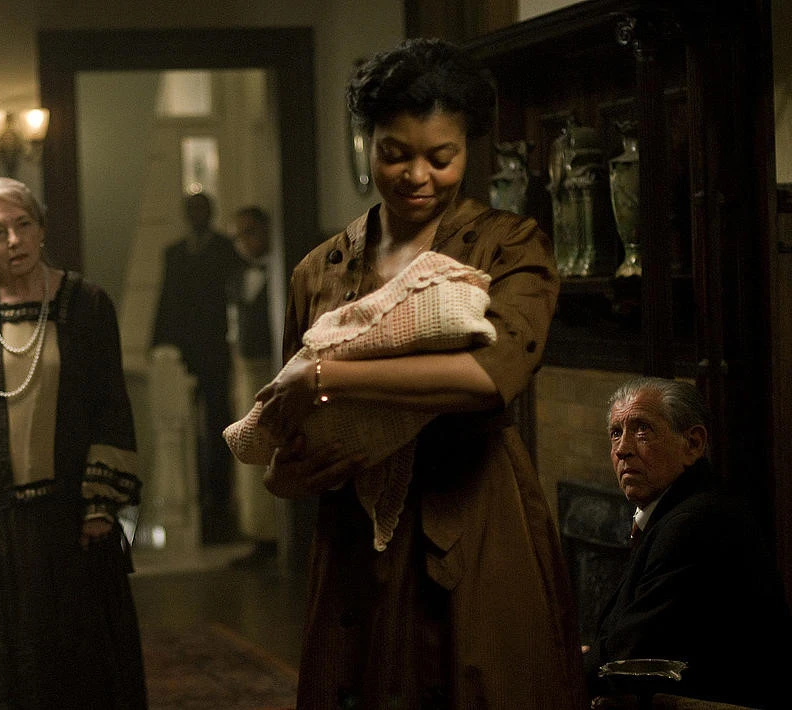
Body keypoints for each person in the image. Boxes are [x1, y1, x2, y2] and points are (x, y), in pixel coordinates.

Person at [255, 40, 583, 708]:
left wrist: (327, 374)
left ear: (468, 150)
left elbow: (487, 376)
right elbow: (292, 416)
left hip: (470, 514)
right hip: (354, 533)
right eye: (394, 153)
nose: (417, 176)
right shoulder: (321, 268)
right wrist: (289, 466)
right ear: (367, 144)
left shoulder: (506, 245)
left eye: (441, 157)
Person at [0, 177, 147, 709]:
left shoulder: (88, 304)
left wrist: (100, 504)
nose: (13, 240)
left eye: (23, 224)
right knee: (5, 669)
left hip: (72, 519)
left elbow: (111, 407)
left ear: (42, 228)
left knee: (82, 666)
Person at [584, 377, 792, 708]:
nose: (622, 449)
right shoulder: (679, 511)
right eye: (615, 433)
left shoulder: (695, 523)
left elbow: (628, 659)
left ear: (693, 444)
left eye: (642, 430)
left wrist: (562, 665)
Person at [152, 191, 245, 544]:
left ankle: (218, 501)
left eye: (201, 209)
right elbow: (167, 298)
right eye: (192, 209)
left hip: (215, 350)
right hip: (186, 352)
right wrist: (161, 343)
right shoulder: (175, 253)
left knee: (218, 423)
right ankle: (201, 498)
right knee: (185, 427)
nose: (196, 215)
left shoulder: (223, 250)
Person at [225, 206, 281, 566]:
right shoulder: (236, 278)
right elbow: (233, 327)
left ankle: (279, 534)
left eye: (251, 231)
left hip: (276, 367)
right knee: (249, 448)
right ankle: (259, 533)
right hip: (247, 369)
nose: (245, 241)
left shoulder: (282, 270)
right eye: (239, 235)